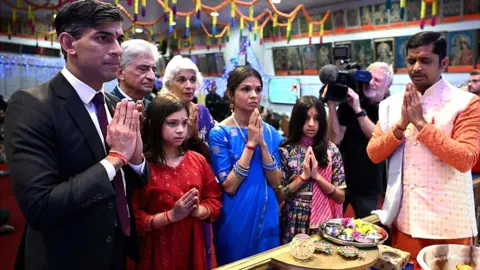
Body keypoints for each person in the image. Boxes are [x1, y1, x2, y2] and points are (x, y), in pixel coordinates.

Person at [4, 1, 149, 269]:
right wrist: (116, 157)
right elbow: (40, 207)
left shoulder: (112, 105)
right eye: (103, 38)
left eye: (118, 38)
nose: (118, 50)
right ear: (69, 44)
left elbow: (136, 181)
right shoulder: (32, 105)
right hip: (65, 256)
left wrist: (136, 154)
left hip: (115, 249)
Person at [367, 31, 480, 264]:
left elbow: (465, 159)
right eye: (411, 61)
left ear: (444, 63)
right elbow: (374, 153)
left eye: (426, 61)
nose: (416, 67)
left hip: (451, 224)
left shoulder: (466, 103)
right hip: (405, 220)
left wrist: (420, 123)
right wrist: (400, 126)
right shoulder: (392, 105)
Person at [132, 93, 222, 270]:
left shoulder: (197, 160)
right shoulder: (143, 165)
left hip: (195, 243)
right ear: (155, 125)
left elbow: (215, 201)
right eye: (172, 123)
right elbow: (135, 219)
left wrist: (199, 211)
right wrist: (171, 216)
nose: (181, 130)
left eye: (184, 123)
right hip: (159, 248)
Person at [209, 66, 284, 265]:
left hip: (268, 215)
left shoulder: (269, 132)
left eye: (258, 90)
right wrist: (251, 144)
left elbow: (277, 182)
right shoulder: (219, 133)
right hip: (236, 216)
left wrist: (262, 144)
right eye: (245, 89)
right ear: (230, 95)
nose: (254, 95)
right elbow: (230, 185)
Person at [328, 62, 393, 218]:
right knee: (333, 225)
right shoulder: (349, 103)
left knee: (367, 232)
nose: (371, 83)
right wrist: (331, 105)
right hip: (342, 179)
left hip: (369, 184)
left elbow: (379, 139)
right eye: (369, 78)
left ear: (388, 84)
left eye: (377, 80)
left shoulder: (390, 107)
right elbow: (335, 138)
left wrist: (358, 110)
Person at [278, 96, 345, 244]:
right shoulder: (286, 151)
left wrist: (317, 177)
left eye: (316, 119)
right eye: (306, 119)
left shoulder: (331, 151)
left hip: (324, 223)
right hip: (293, 220)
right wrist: (303, 177)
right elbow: (280, 196)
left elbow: (341, 197)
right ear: (297, 120)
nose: (311, 124)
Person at [162, 55, 215, 160]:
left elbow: (214, 155)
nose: (189, 86)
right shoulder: (160, 112)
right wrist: (186, 137)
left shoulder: (202, 111)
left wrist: (197, 138)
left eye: (193, 80)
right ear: (168, 84)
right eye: (181, 80)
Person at [112, 39, 159, 109]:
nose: (152, 77)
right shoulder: (105, 106)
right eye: (143, 69)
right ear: (121, 73)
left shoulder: (155, 109)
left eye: (153, 70)